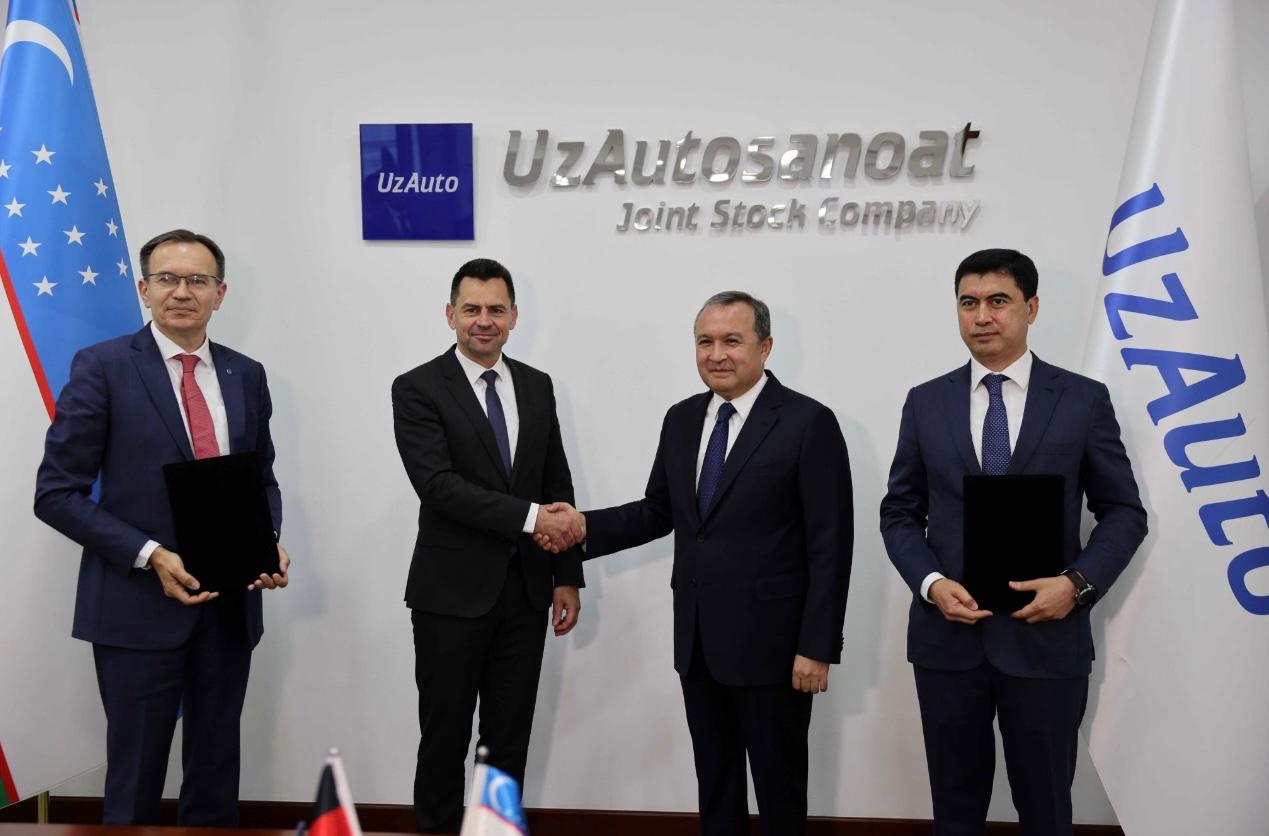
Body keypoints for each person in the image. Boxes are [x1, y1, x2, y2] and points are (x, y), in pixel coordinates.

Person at [539, 291, 852, 836]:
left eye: (732, 340)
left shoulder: (808, 422)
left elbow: (831, 543)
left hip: (777, 650)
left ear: (765, 347)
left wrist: (817, 646)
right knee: (716, 784)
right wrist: (583, 527)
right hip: (699, 643)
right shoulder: (682, 419)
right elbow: (659, 510)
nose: (716, 354)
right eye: (705, 341)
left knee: (780, 790)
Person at [879, 248, 1147, 834]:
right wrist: (930, 584)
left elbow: (1124, 512)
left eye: (998, 301)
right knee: (955, 810)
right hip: (949, 640)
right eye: (968, 303)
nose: (982, 316)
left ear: (1031, 307)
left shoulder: (1082, 400)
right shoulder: (926, 402)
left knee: (1046, 809)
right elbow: (899, 511)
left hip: (1047, 639)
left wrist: (1076, 585)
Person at [33, 229, 289, 826]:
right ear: (143, 289)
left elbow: (263, 481)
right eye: (167, 279)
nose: (182, 291)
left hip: (230, 606)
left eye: (198, 280)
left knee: (216, 775)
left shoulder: (246, 374)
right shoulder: (102, 367)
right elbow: (56, 494)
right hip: (136, 607)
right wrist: (150, 554)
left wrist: (267, 543)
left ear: (220, 293)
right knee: (135, 780)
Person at [391, 258, 585, 834]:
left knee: (508, 740)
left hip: (526, 594)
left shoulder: (537, 386)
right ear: (450, 314)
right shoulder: (417, 387)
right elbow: (438, 486)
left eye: (496, 309)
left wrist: (566, 575)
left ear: (514, 316)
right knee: (445, 738)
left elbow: (556, 482)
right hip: (449, 598)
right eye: (471, 309)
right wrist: (531, 518)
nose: (484, 320)